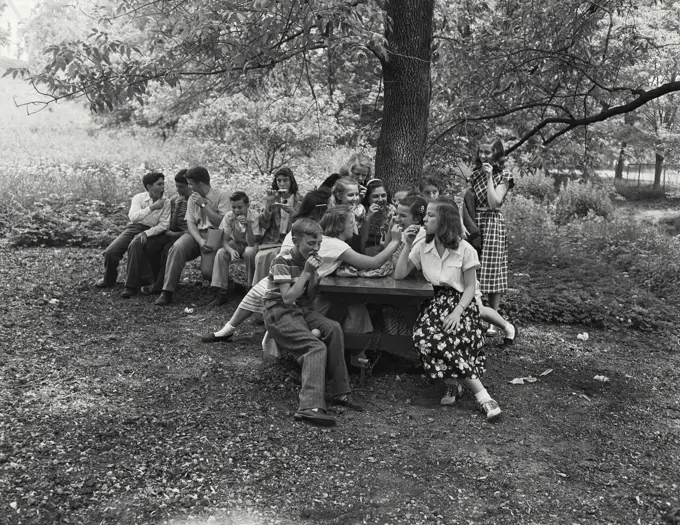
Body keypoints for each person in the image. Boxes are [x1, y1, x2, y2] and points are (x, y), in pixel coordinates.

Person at [201, 201, 402, 343]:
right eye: (352, 222)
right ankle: (276, 337)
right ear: (341, 225)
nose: (355, 226)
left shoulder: (314, 236)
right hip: (294, 285)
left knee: (257, 292)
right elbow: (373, 262)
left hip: (283, 276)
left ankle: (228, 330)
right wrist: (394, 241)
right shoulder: (335, 245)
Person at [394, 199, 502, 421]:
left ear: (444, 221)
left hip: (462, 303)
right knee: (424, 337)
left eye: (431, 215)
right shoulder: (423, 246)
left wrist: (457, 312)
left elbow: (471, 287)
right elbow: (400, 274)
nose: (425, 219)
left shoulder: (466, 249)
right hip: (435, 302)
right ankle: (462, 387)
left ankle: (479, 396)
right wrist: (406, 243)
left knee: (450, 337)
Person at [263, 218, 365, 426]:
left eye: (318, 243)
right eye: (311, 244)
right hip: (278, 312)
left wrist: (314, 278)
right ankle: (309, 406)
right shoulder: (282, 261)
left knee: (333, 328)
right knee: (315, 347)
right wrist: (307, 272)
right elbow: (288, 298)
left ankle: (340, 392)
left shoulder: (308, 261)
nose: (315, 248)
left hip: (300, 310)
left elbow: (308, 298)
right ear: (295, 241)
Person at [155, 166, 230, 306]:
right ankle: (167, 292)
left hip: (215, 233)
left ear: (200, 184)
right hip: (196, 234)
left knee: (207, 273)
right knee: (177, 247)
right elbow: (191, 223)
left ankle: (228, 285)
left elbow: (222, 222)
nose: (189, 187)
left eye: (191, 184)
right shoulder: (191, 199)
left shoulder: (222, 196)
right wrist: (200, 240)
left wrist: (203, 205)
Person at [95, 172, 170, 291]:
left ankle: (131, 285)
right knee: (111, 252)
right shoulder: (139, 198)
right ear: (149, 187)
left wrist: (147, 233)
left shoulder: (166, 202)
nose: (163, 187)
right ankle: (108, 279)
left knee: (134, 247)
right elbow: (133, 217)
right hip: (134, 227)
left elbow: (164, 225)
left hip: (151, 231)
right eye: (159, 184)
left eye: (163, 183)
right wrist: (152, 207)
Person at [469, 135, 514, 329]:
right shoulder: (474, 174)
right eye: (481, 152)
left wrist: (489, 177)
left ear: (497, 153)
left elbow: (495, 202)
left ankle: (494, 321)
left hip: (493, 222)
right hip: (475, 222)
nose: (483, 156)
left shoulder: (505, 176)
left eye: (488, 152)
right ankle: (476, 314)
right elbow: (468, 201)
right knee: (474, 267)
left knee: (493, 270)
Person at [140, 169, 193, 296]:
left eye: (181, 187)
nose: (178, 190)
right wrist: (177, 209)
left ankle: (159, 286)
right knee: (151, 245)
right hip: (173, 233)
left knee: (168, 250)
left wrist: (176, 235)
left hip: (188, 236)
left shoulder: (196, 201)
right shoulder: (175, 200)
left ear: (189, 186)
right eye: (176, 186)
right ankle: (157, 279)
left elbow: (195, 228)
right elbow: (173, 226)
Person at [209, 191, 262, 306]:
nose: (237, 211)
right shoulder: (229, 216)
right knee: (221, 253)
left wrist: (248, 226)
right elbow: (224, 240)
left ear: (247, 206)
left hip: (251, 243)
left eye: (240, 207)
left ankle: (251, 287)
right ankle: (222, 290)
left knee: (249, 252)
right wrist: (231, 250)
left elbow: (251, 243)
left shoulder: (255, 216)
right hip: (237, 242)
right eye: (234, 207)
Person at [251, 168, 302, 285]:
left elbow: (305, 224)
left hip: (291, 240)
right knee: (261, 257)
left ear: (291, 181)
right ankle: (260, 287)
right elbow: (264, 224)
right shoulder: (274, 198)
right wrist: (269, 204)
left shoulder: (300, 200)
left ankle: (276, 288)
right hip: (273, 240)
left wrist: (293, 213)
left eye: (285, 180)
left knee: (278, 255)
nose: (282, 184)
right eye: (279, 181)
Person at [361, 179, 396, 256]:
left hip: (386, 252)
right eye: (375, 196)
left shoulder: (391, 210)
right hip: (365, 254)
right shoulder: (362, 211)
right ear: (368, 198)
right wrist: (368, 218)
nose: (380, 200)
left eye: (383, 195)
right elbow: (361, 241)